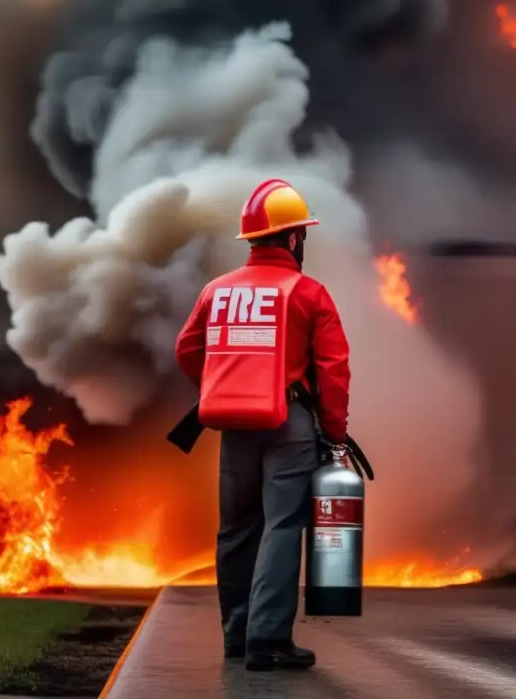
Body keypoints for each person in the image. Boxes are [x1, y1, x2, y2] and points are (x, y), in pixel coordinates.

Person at [174, 178, 351, 671]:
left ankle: (236, 634)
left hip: (234, 427)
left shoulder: (218, 291)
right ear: (294, 238)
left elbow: (187, 351)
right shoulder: (308, 293)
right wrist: (333, 431)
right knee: (282, 524)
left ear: (252, 240)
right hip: (288, 426)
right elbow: (334, 369)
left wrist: (219, 388)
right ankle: (268, 638)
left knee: (235, 529)